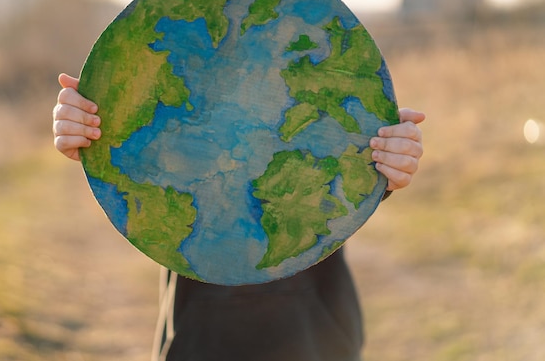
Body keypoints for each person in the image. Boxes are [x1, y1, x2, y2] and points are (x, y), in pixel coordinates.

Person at [53, 72, 425, 361]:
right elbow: (139, 149)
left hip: (315, 337)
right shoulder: (181, 81)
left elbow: (346, 152)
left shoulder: (315, 60)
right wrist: (89, 133)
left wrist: (385, 162)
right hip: (200, 337)